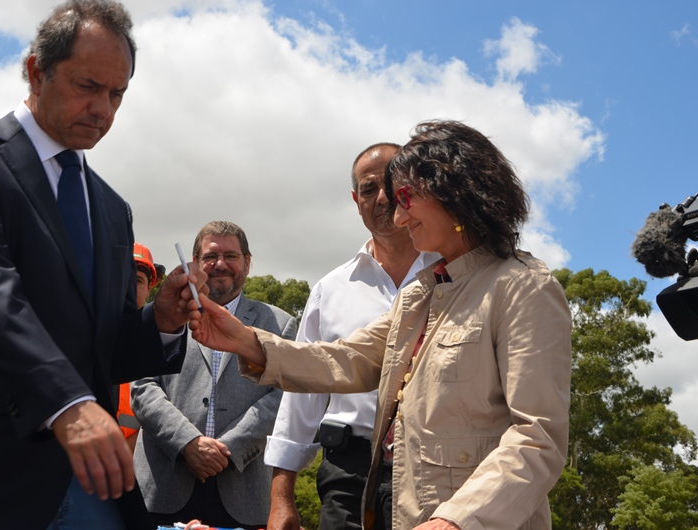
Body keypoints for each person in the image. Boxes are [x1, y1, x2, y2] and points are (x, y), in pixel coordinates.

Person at [0, 2, 207, 529]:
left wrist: (159, 320)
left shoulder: (113, 209)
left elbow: (104, 350)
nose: (103, 109)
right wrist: (67, 405)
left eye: (117, 95)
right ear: (37, 71)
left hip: (89, 488)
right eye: (88, 86)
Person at [189, 120, 572, 530]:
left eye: (405, 196)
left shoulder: (523, 286)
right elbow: (348, 360)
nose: (399, 215)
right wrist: (246, 341)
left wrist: (456, 521)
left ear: (453, 191)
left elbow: (538, 438)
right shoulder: (422, 293)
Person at [265, 143, 439, 530]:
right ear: (356, 200)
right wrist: (281, 499)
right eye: (368, 189)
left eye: (391, 185)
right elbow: (302, 395)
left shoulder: (456, 276)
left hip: (435, 473)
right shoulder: (330, 289)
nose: (382, 198)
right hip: (348, 477)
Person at [132, 221, 297, 529]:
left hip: (243, 491)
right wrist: (188, 443)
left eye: (231, 256)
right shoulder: (165, 315)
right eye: (210, 256)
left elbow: (284, 398)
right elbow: (143, 386)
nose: (220, 264)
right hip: (164, 487)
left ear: (247, 262)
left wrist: (227, 449)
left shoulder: (279, 324)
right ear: (195, 263)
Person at [116, 242, 162, 454]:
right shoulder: (79, 337)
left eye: (137, 280)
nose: (128, 287)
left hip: (139, 462)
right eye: (120, 277)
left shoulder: (164, 346)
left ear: (149, 289)